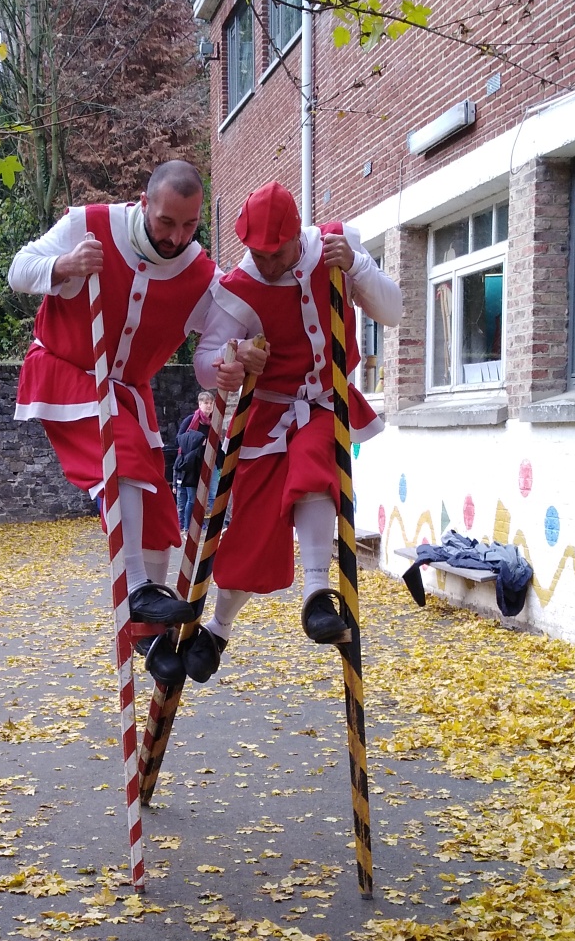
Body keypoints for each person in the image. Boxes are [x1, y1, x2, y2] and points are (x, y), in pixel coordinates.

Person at [150, 182, 402, 687]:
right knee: (252, 532)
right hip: (262, 419)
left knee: (315, 467)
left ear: (296, 236)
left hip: (323, 403)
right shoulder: (235, 286)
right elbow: (203, 362)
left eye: (278, 252)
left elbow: (392, 312)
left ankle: (316, 595)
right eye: (258, 252)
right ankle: (217, 632)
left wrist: (356, 265)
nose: (266, 263)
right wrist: (231, 361)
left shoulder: (335, 246)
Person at [8, 161, 266, 627]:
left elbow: (214, 353)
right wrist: (64, 265)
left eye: (189, 225)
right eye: (166, 221)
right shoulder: (88, 225)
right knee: (121, 455)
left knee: (157, 514)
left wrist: (235, 356)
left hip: (128, 394)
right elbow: (18, 269)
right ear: (144, 203)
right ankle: (136, 588)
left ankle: (150, 636)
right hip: (65, 370)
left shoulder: (203, 276)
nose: (176, 237)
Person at [172, 391, 216, 530]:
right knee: (192, 497)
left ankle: (206, 524)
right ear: (200, 404)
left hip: (210, 461)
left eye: (211, 403)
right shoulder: (191, 419)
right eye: (206, 403)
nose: (209, 406)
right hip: (193, 463)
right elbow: (179, 439)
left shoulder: (214, 421)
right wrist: (198, 440)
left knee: (211, 495)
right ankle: (187, 526)